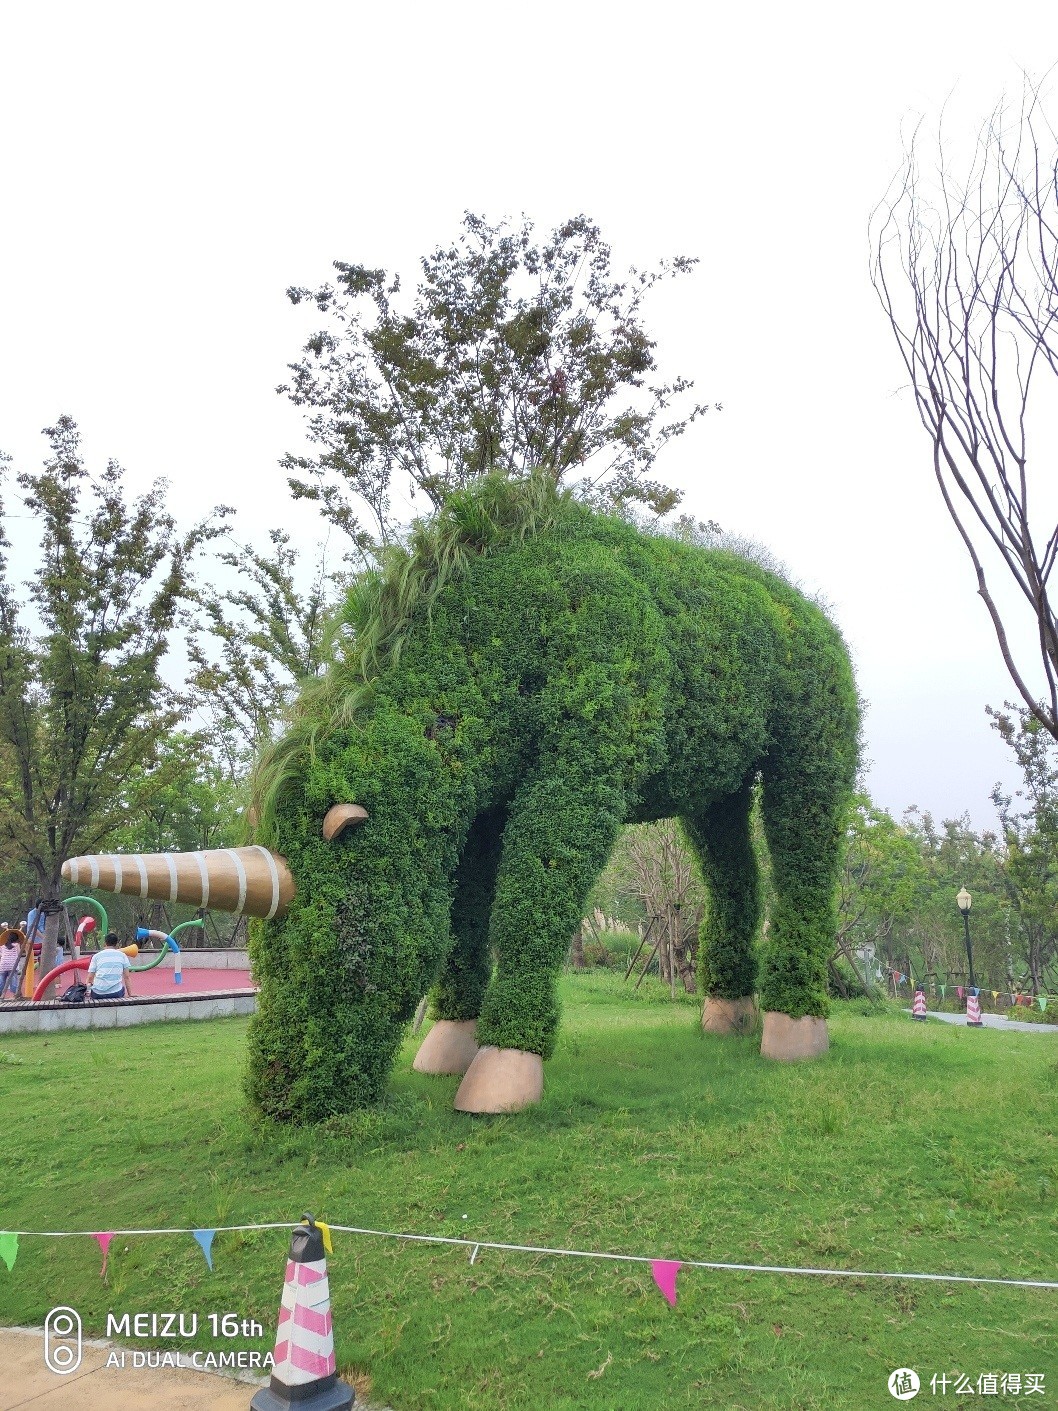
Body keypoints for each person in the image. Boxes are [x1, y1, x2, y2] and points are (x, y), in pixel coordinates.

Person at [87, 933, 134, 1000]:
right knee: (121, 988)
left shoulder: (96, 956)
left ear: (105, 943)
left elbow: (90, 977)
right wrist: (130, 994)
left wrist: (88, 992)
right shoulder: (122, 955)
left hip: (97, 993)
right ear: (116, 943)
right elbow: (127, 977)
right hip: (116, 993)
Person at [0, 928, 22, 1001]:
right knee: (13, 982)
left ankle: (1, 995)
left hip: (3, 965)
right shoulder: (16, 945)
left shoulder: (2, 945)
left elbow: (1, 954)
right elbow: (19, 954)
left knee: (2, 981)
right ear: (16, 938)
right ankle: (15, 995)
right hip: (13, 965)